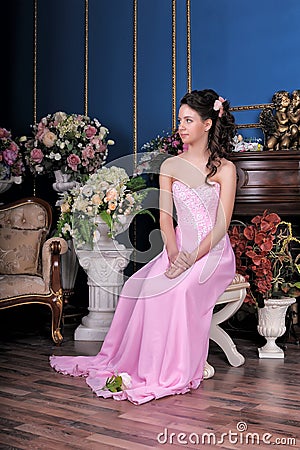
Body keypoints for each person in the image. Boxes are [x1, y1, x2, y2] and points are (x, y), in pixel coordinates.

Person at [50, 89, 237, 405]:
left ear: (207, 124)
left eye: (189, 120)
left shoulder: (225, 169)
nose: (181, 126)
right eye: (180, 120)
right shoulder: (171, 166)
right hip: (177, 249)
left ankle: (175, 367)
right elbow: (165, 220)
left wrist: (192, 258)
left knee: (178, 291)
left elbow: (222, 225)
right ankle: (139, 364)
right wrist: (175, 254)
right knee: (138, 284)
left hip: (213, 253)